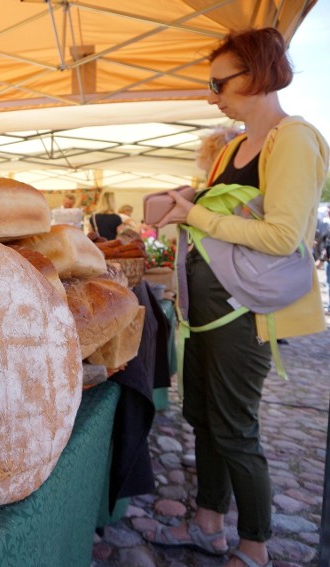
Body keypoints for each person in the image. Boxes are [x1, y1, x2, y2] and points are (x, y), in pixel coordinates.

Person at [143, 28, 329, 567]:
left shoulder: (292, 138)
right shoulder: (231, 148)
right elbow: (216, 221)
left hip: (243, 314)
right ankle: (208, 524)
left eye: (218, 83)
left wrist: (194, 213)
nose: (211, 95)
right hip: (206, 313)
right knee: (202, 416)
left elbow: (281, 236)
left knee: (235, 429)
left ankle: (254, 545)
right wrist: (180, 206)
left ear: (256, 74)